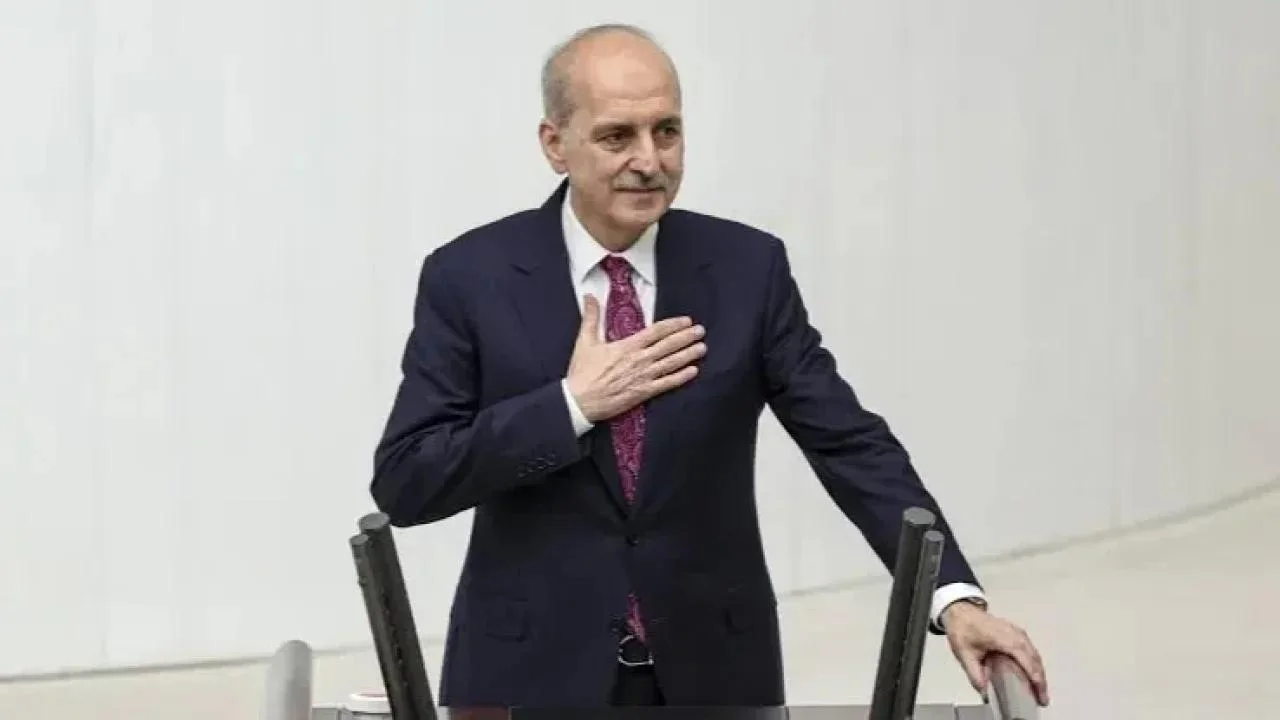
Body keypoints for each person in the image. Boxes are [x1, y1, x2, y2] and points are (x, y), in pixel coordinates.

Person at [371, 23, 1050, 709]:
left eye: (666, 131)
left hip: (715, 673)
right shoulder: (470, 277)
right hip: (527, 676)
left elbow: (850, 444)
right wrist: (571, 406)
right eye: (617, 136)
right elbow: (407, 480)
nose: (649, 160)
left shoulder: (747, 270)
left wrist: (952, 599)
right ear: (555, 144)